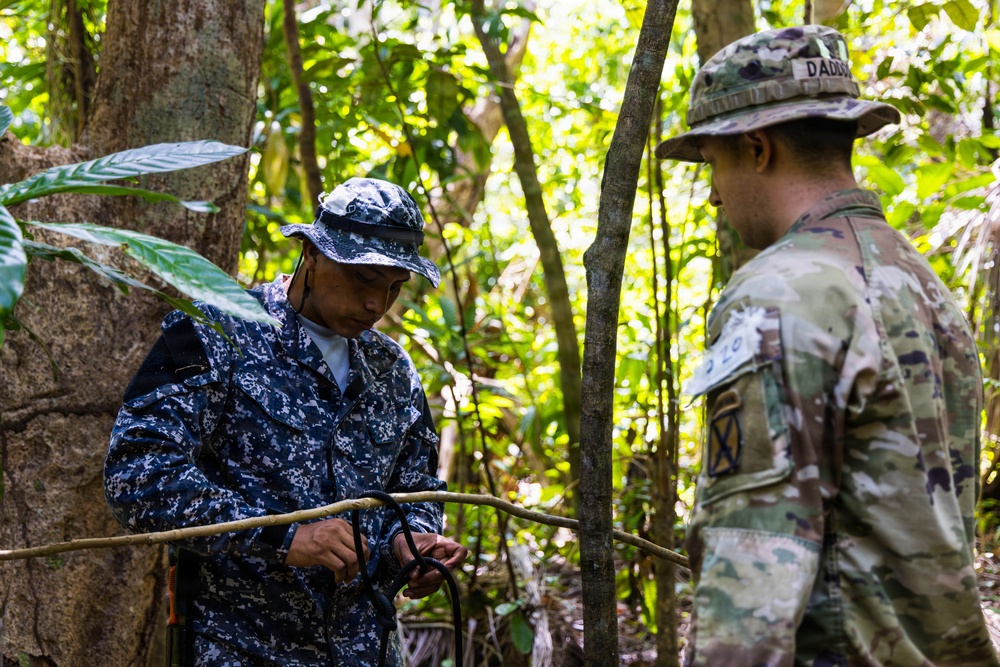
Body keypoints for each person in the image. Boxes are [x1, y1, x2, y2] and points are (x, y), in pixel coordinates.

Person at [656, 25, 999, 665]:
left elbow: (751, 559)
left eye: (713, 163)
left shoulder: (779, 292)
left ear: (757, 149)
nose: (712, 192)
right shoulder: (922, 283)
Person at [105, 177, 468, 666]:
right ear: (311, 254)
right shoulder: (219, 331)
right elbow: (137, 473)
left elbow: (417, 484)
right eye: (363, 279)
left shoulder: (392, 370)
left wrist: (410, 542)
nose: (376, 306)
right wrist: (282, 536)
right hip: (240, 646)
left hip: (367, 649)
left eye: (394, 288)